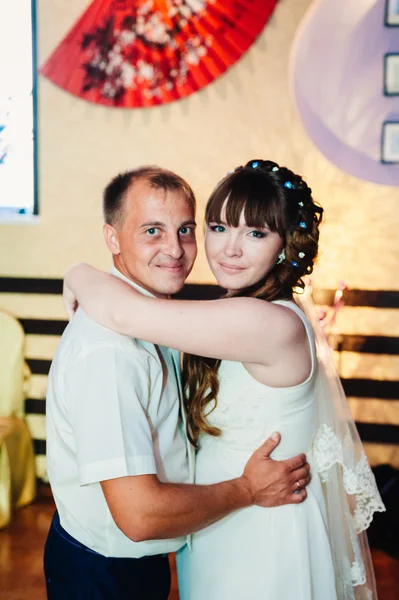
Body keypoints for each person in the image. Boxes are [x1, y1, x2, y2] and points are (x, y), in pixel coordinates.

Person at [63, 160, 384, 600]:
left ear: (284, 244)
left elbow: (125, 312)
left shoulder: (265, 322)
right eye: (218, 227)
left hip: (262, 529)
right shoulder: (235, 311)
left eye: (255, 233)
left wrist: (78, 273)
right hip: (223, 520)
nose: (229, 249)